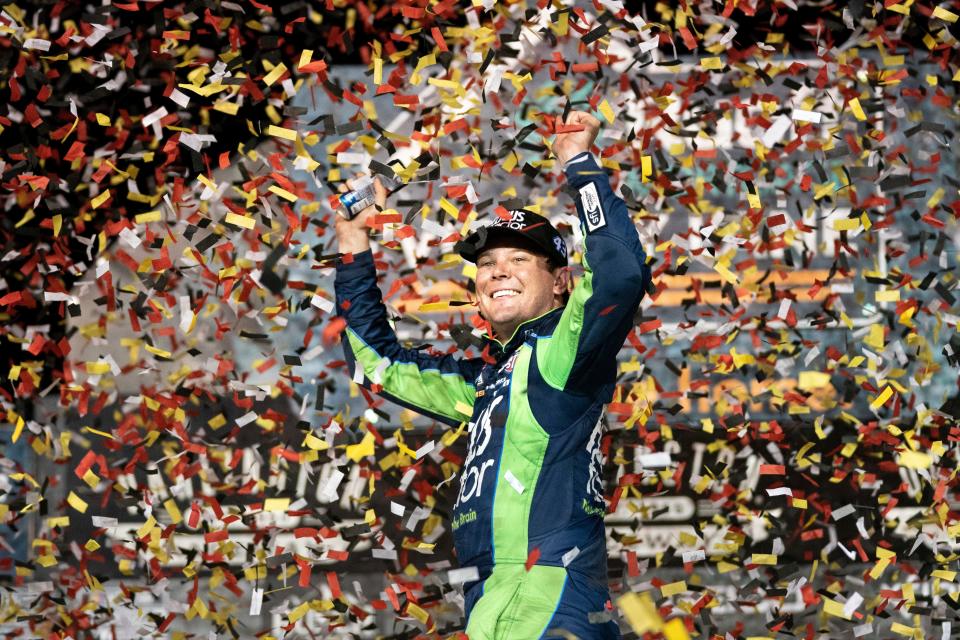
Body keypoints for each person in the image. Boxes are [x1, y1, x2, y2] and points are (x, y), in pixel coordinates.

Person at [333, 111, 651, 639]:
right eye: (487, 263)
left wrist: (578, 160)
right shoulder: (483, 382)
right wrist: (352, 240)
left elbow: (620, 273)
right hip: (486, 605)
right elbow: (378, 362)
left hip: (551, 596)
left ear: (561, 284)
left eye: (521, 259)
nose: (498, 270)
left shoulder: (564, 349)